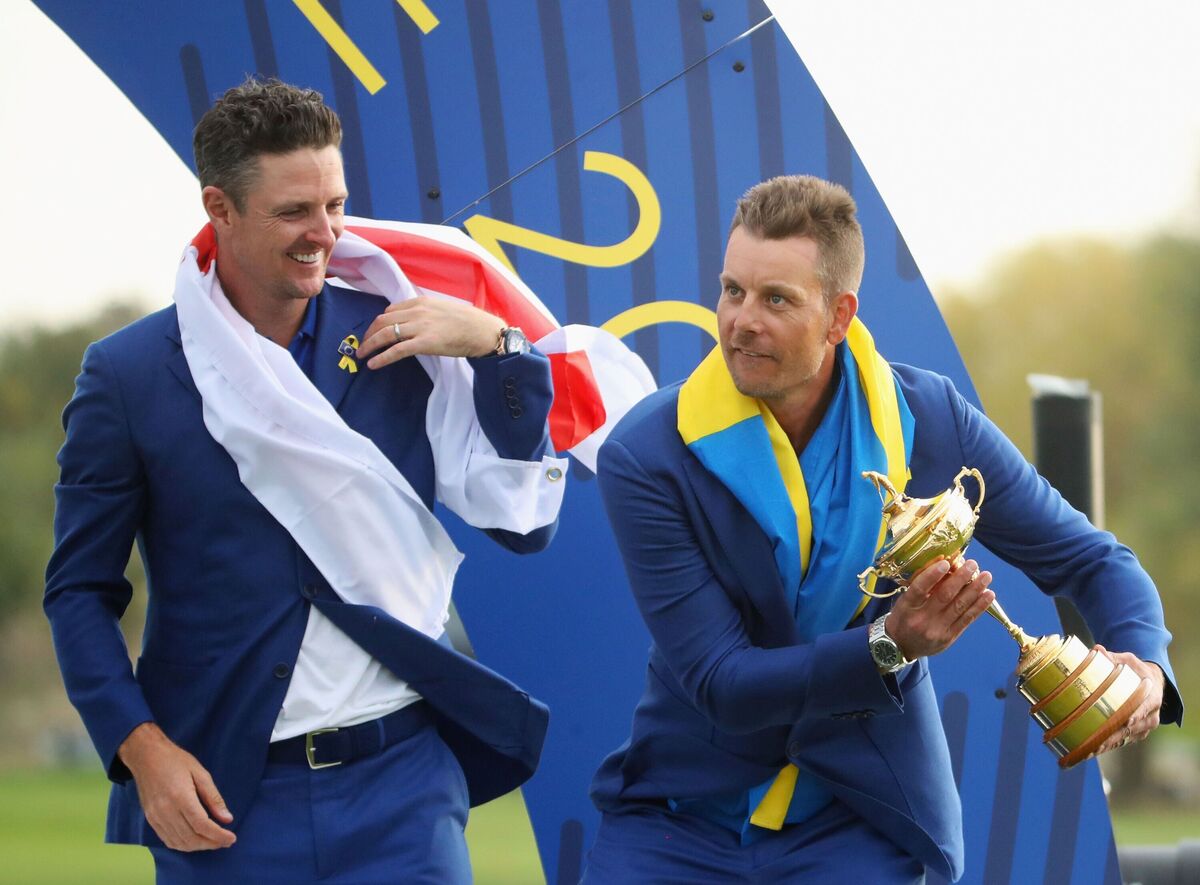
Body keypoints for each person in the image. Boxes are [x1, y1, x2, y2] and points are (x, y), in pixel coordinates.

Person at [581, 175, 1181, 883]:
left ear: (839, 316)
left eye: (777, 299)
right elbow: (724, 682)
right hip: (677, 819)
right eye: (732, 289)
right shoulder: (646, 454)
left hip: (858, 819)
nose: (741, 320)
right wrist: (889, 646)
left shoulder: (930, 419)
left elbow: (1094, 560)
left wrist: (1145, 667)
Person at [44, 78, 571, 883]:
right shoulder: (128, 375)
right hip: (223, 800)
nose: (324, 232)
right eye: (295, 212)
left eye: (336, 204)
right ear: (219, 209)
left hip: (405, 790)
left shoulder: (404, 333)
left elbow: (523, 524)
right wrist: (139, 747)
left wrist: (501, 347)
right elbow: (79, 591)